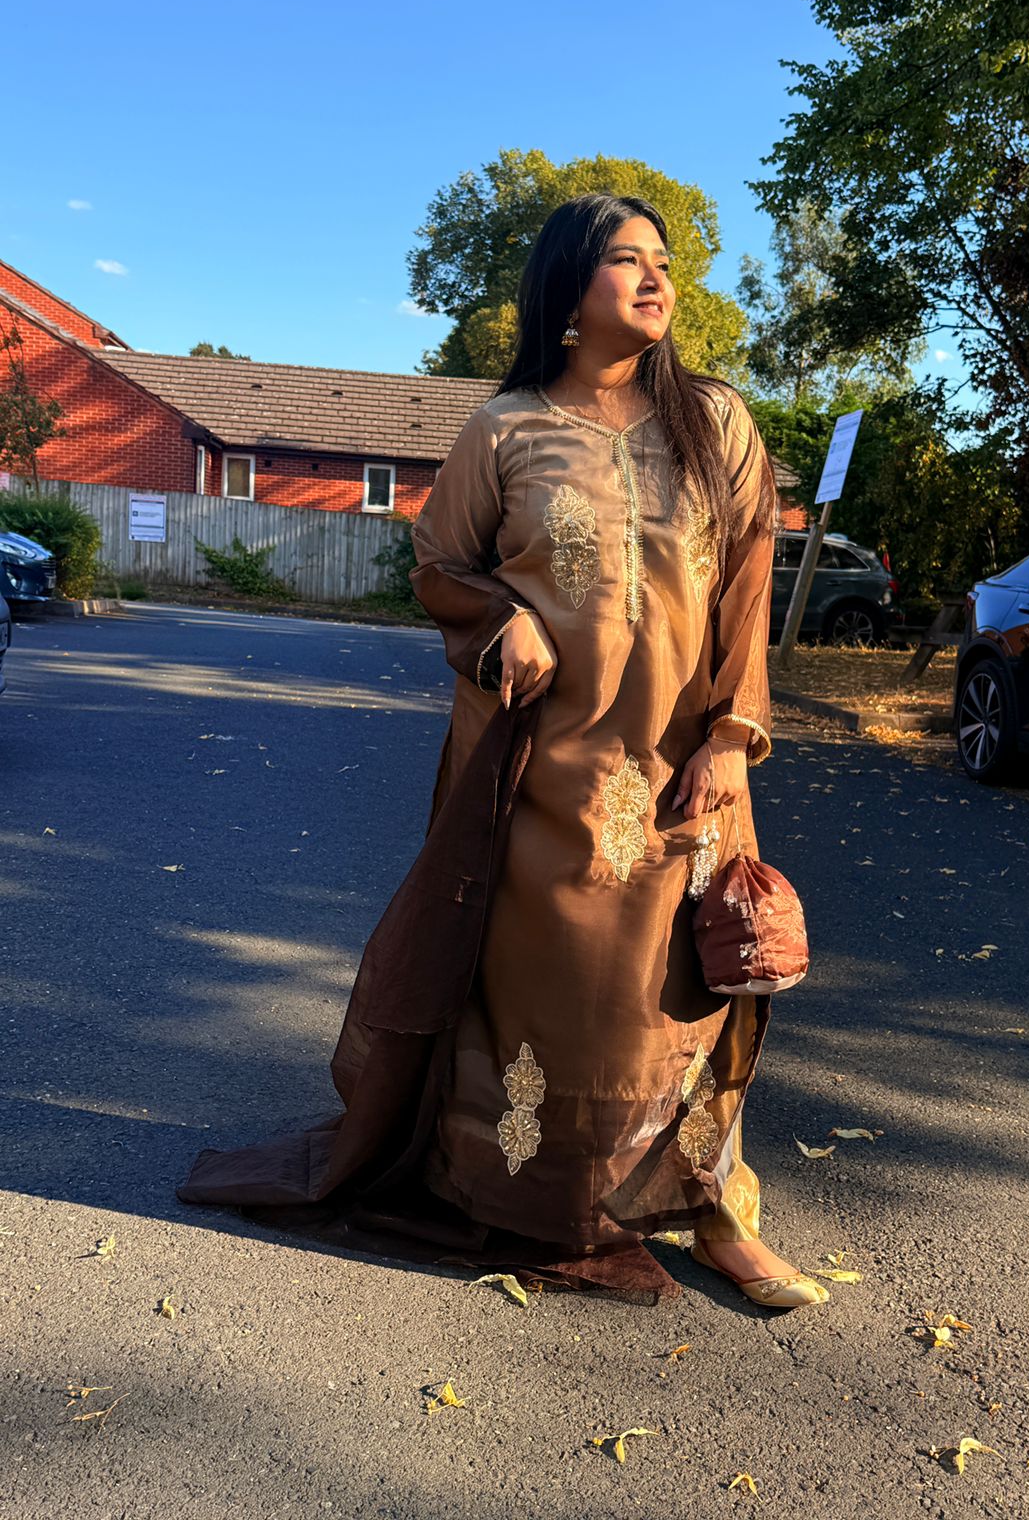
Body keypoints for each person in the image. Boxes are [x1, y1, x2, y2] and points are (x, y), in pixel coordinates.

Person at [176, 192, 828, 1310]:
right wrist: (497, 619)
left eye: (663, 261)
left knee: (685, 992)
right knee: (543, 1004)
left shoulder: (716, 424)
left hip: (682, 774)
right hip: (536, 783)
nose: (656, 277)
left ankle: (715, 1211)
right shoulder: (507, 429)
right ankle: (519, 1194)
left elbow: (749, 590)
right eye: (626, 259)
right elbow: (435, 564)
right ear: (566, 293)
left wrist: (733, 733)